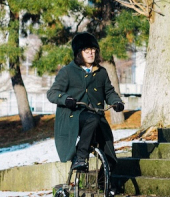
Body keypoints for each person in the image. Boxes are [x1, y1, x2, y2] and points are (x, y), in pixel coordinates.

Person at [46, 32, 124, 174]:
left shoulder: (101, 72)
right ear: (79, 53)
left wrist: (117, 102)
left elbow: (109, 92)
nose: (91, 53)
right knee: (91, 119)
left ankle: (103, 186)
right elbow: (52, 93)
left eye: (93, 50)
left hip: (97, 117)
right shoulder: (67, 71)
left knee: (111, 159)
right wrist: (66, 99)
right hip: (75, 117)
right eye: (86, 51)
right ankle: (80, 156)